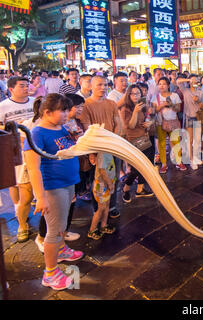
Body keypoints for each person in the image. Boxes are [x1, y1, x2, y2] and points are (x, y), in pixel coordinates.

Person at [23, 94, 84, 290]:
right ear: (47, 112)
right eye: (63, 110)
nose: (67, 114)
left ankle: (61, 250)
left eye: (68, 109)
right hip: (53, 187)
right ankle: (50, 273)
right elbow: (33, 168)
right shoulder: (37, 134)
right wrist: (40, 197)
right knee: (54, 230)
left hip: (67, 183)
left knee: (62, 225)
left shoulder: (61, 127)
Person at [80, 76, 122, 219]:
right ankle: (98, 209)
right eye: (99, 85)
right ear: (91, 86)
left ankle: (112, 206)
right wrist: (94, 151)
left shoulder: (112, 103)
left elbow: (118, 123)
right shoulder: (86, 105)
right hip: (97, 149)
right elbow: (87, 129)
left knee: (113, 177)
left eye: (105, 85)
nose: (103, 88)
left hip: (112, 147)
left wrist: (113, 141)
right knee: (97, 179)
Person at [0, 76, 35, 242]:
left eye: (27, 85)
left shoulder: (35, 102)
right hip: (15, 151)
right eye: (22, 86)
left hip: (35, 150)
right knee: (18, 184)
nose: (26, 88)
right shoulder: (3, 106)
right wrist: (14, 128)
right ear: (11, 89)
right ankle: (21, 220)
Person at [119, 84, 154, 201]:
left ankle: (140, 189)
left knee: (146, 167)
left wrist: (148, 123)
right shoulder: (125, 109)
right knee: (137, 168)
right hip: (134, 140)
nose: (136, 96)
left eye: (138, 93)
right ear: (128, 95)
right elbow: (130, 126)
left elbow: (145, 120)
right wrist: (135, 111)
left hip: (144, 138)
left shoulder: (141, 105)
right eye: (133, 93)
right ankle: (126, 188)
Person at [152, 77, 186, 173]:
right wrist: (162, 105)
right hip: (160, 123)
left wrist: (171, 104)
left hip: (173, 122)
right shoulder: (156, 97)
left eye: (164, 84)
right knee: (162, 144)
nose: (161, 86)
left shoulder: (175, 95)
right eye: (160, 84)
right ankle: (164, 164)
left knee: (176, 143)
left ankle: (179, 162)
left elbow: (178, 109)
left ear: (168, 85)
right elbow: (154, 110)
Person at [177, 75, 203, 170]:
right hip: (189, 117)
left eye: (196, 80)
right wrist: (189, 79)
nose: (195, 82)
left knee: (197, 139)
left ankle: (196, 157)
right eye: (193, 80)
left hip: (198, 117)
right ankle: (191, 160)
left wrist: (198, 101)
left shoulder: (201, 92)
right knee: (190, 139)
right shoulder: (185, 90)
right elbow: (178, 81)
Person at [87, 152, 116, 240]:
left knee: (106, 205)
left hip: (108, 183)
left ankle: (104, 225)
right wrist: (110, 183)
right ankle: (92, 230)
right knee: (101, 208)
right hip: (102, 185)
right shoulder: (102, 154)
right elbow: (102, 170)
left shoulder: (107, 152)